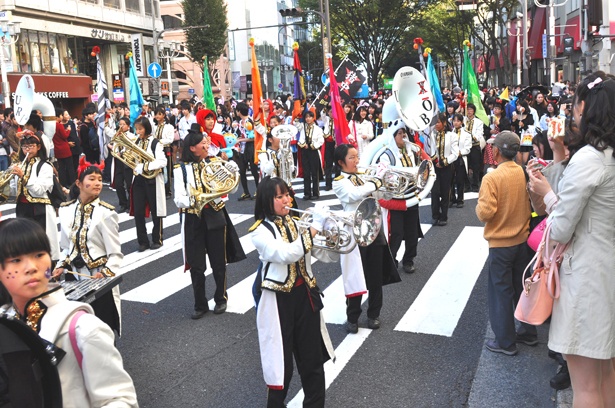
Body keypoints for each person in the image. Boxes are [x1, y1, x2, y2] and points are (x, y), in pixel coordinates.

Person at [529, 73, 615, 406]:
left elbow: (561, 228)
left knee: (585, 387)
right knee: (606, 378)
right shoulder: (606, 155)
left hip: (587, 281)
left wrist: (547, 194)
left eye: (576, 105)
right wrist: (561, 157)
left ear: (585, 106)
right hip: (606, 272)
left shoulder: (590, 158)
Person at [0, 218, 138, 407]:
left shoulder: (84, 328)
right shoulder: (5, 327)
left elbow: (121, 400)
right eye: (16, 260)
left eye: (39, 255)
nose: (31, 267)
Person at [250, 176, 335, 408]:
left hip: (306, 298)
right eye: (279, 197)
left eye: (287, 194)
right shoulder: (260, 232)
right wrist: (315, 228)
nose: (286, 200)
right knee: (281, 369)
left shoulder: (299, 224)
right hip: (278, 303)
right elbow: (286, 254)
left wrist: (334, 236)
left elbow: (324, 255)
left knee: (313, 364)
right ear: (267, 201)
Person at [173, 127, 245, 319]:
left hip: (215, 215)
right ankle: (200, 303)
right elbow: (179, 198)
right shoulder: (181, 170)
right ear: (192, 148)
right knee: (197, 265)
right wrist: (198, 199)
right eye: (202, 143)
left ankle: (221, 298)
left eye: (206, 142)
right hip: (192, 218)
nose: (207, 144)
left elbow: (230, 189)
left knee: (218, 261)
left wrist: (233, 172)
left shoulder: (216, 162)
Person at [475, 131, 536, 356]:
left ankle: (505, 341)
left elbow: (485, 212)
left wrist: (479, 206)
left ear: (497, 151)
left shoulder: (491, 177)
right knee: (522, 287)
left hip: (501, 243)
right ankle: (529, 331)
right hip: (522, 239)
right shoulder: (522, 172)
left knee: (501, 291)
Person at [333, 144, 400, 333]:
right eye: (351, 158)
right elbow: (353, 195)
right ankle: (352, 317)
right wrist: (375, 182)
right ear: (341, 162)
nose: (356, 161)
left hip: (374, 228)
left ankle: (374, 314)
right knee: (355, 274)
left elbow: (379, 194)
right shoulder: (339, 182)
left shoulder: (363, 175)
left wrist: (386, 182)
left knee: (376, 273)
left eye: (356, 156)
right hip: (354, 231)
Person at [53, 160, 123, 335]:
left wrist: (105, 273)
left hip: (97, 278)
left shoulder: (106, 213)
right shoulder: (66, 210)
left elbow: (115, 254)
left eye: (100, 179)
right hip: (73, 277)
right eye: (92, 179)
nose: (98, 183)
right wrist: (60, 265)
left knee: (101, 324)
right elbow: (65, 247)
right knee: (77, 323)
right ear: (79, 183)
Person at [378, 125, 429, 274]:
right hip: (397, 198)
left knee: (412, 232)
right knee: (397, 232)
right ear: (393, 137)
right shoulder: (387, 154)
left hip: (411, 196)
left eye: (404, 133)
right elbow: (384, 174)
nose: (403, 136)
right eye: (399, 134)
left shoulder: (411, 151)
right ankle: (391, 260)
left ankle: (409, 260)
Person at [10, 131, 60, 262]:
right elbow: (15, 190)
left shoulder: (45, 166)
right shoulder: (22, 164)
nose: (27, 149)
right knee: (25, 243)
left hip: (39, 210)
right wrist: (11, 177)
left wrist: (23, 177)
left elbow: (39, 190)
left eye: (31, 146)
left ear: (39, 147)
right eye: (25, 147)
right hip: (22, 209)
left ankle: (48, 275)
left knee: (41, 243)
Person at [131, 116, 167, 252]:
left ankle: (157, 239)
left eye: (140, 129)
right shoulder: (136, 142)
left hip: (152, 179)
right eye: (136, 129)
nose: (138, 131)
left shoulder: (155, 143)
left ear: (147, 128)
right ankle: (142, 241)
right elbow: (133, 160)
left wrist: (145, 166)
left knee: (156, 210)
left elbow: (162, 161)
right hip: (139, 179)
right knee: (138, 211)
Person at [429, 113, 459, 226]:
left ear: (444, 123)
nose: (436, 124)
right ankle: (435, 215)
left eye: (438, 122)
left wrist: (444, 162)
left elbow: (455, 153)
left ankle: (444, 216)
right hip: (435, 167)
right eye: (435, 122)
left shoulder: (452, 136)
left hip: (447, 168)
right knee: (435, 192)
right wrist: (434, 160)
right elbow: (431, 150)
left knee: (445, 192)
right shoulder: (432, 135)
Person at [297, 111, 324, 200]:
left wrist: (313, 145)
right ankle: (307, 193)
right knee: (306, 173)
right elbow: (295, 124)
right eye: (306, 117)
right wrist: (303, 144)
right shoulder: (303, 127)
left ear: (313, 118)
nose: (308, 119)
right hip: (305, 152)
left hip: (314, 152)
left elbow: (321, 140)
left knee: (314, 173)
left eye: (310, 117)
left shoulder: (318, 129)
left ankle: (316, 193)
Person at [450, 113, 472, 208]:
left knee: (460, 180)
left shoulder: (466, 134)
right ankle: (451, 198)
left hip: (460, 159)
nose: (456, 122)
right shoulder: (449, 133)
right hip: (451, 159)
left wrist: (458, 153)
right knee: (450, 180)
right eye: (454, 120)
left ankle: (460, 200)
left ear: (461, 122)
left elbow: (468, 148)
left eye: (458, 121)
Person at [153, 107, 175, 198]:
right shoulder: (154, 127)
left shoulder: (169, 127)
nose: (157, 116)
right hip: (156, 149)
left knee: (167, 169)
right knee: (157, 169)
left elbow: (170, 139)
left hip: (166, 149)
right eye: (156, 114)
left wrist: (159, 142)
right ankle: (159, 189)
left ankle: (168, 191)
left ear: (164, 115)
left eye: (160, 114)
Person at [464, 103, 486, 192]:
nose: (469, 111)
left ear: (474, 111)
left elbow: (479, 134)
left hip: (474, 145)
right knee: (465, 166)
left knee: (476, 166)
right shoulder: (463, 120)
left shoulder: (478, 122)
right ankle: (467, 185)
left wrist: (470, 134)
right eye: (468, 109)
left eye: (470, 110)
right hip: (465, 146)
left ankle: (475, 185)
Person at [53, 108, 75, 188]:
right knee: (70, 166)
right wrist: (68, 130)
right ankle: (72, 183)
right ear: (57, 116)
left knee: (61, 167)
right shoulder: (59, 125)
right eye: (61, 115)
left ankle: (63, 184)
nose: (62, 117)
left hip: (57, 149)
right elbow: (65, 136)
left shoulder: (51, 125)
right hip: (64, 148)